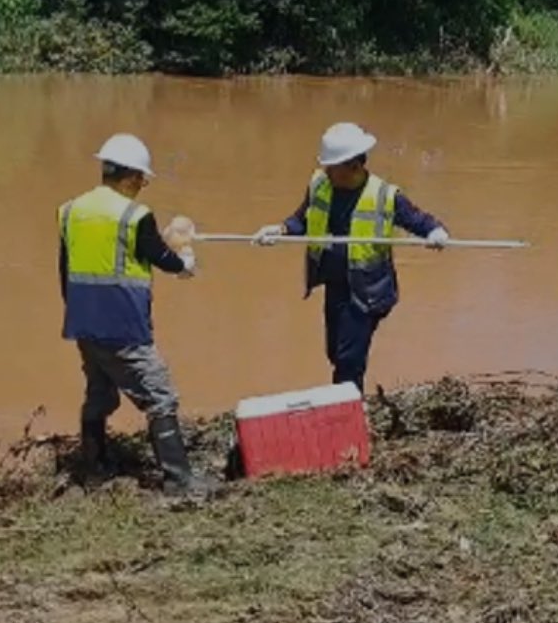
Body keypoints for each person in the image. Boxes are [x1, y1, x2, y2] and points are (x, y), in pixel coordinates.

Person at [58, 133, 217, 497]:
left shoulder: (70, 210)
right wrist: (187, 262)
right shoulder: (136, 215)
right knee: (160, 396)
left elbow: (65, 269)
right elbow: (165, 260)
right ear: (130, 176)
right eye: (143, 180)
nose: (143, 187)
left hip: (83, 323)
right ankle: (180, 482)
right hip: (123, 325)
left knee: (99, 392)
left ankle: (95, 470)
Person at [252, 122, 450, 393]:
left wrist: (435, 232)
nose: (327, 172)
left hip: (368, 291)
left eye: (332, 168)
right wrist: (280, 230)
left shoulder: (385, 195)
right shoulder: (321, 185)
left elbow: (419, 220)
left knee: (348, 360)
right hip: (336, 284)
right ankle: (347, 398)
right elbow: (303, 220)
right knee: (335, 351)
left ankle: (347, 411)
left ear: (354, 166)